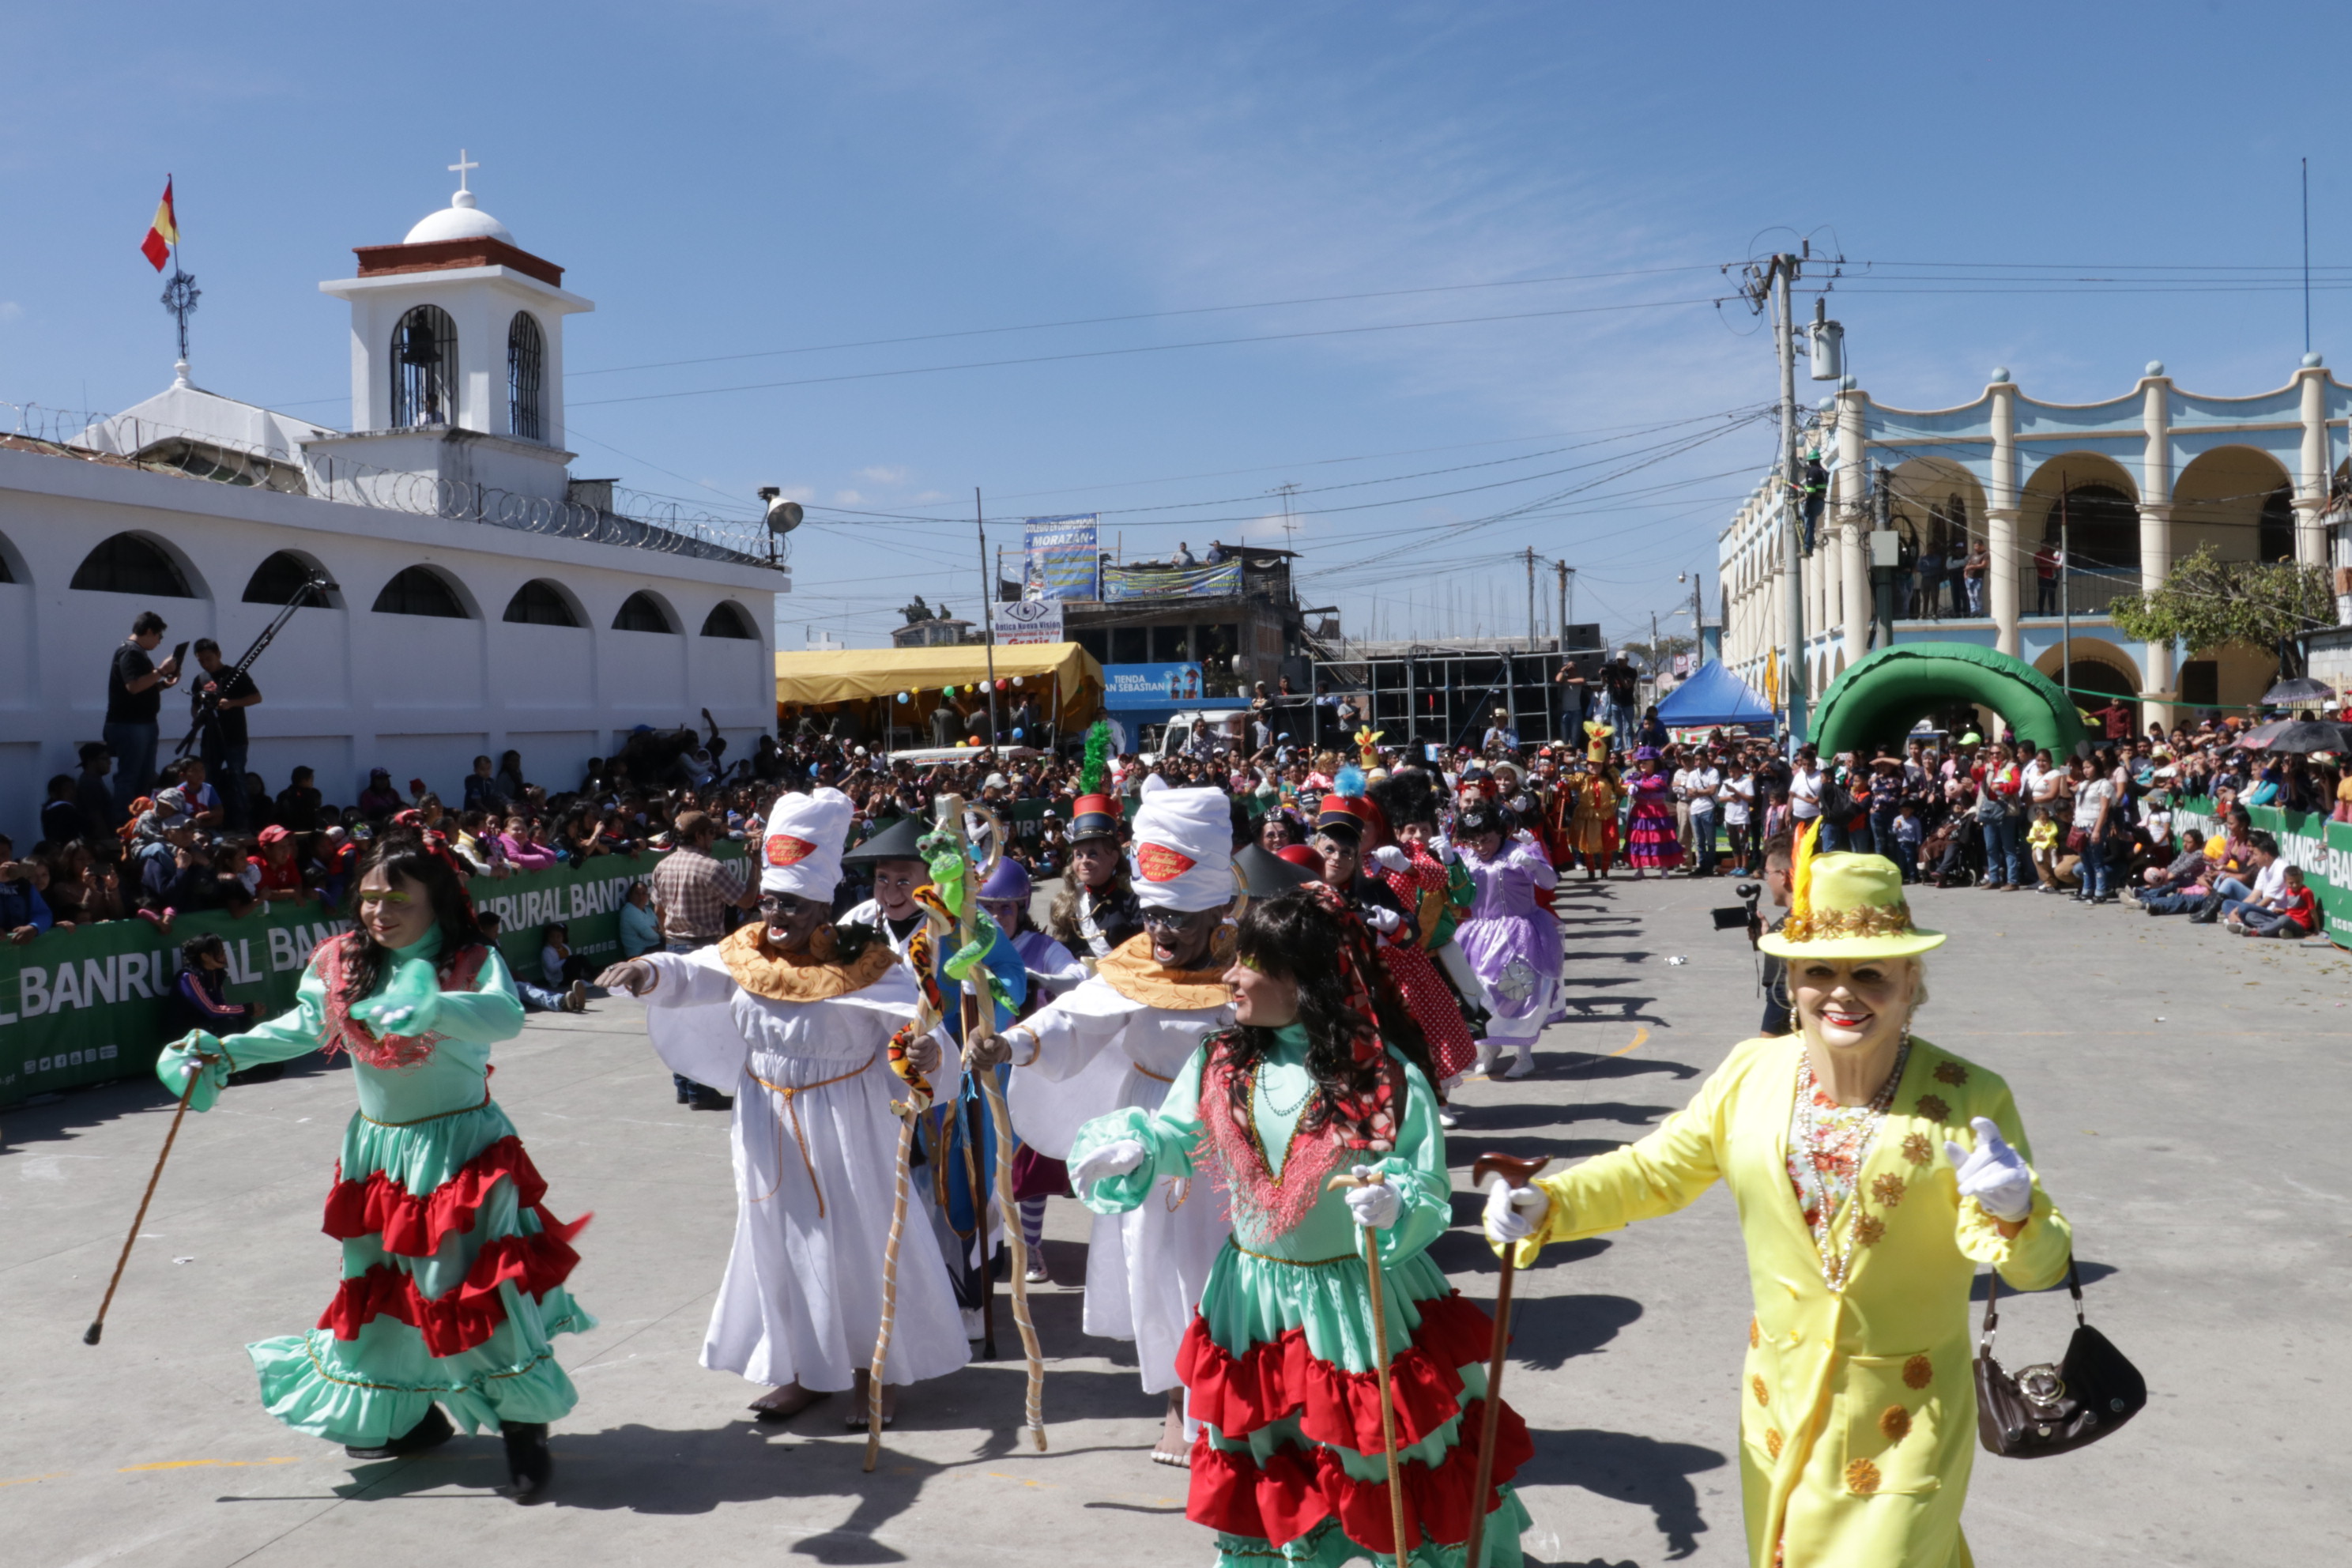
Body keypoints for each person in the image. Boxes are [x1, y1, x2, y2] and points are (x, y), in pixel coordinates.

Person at [1484, 841, 2071, 1566]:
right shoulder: (1751, 1073)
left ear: (1911, 980)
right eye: (1818, 971)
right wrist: (1548, 1204)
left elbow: (2040, 1270)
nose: (1842, 994)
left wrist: (2016, 1211)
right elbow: (1655, 1170)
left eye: (1870, 974)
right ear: (1789, 981)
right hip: (1781, 1404)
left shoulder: (1970, 1096)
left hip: (1908, 1411)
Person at [1067, 888, 1532, 1566]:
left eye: (1249, 961)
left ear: (1303, 978)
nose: (1229, 976)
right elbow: (1179, 1133)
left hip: (1355, 1304)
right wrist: (1140, 1147)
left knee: (1379, 1463)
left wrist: (1395, 1204)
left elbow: (1427, 1185)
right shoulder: (1223, 1061)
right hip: (1252, 1306)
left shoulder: (1381, 1077)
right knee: (1273, 1459)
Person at [154, 827, 586, 1499]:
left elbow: (504, 1016)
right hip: (378, 1155)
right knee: (381, 1287)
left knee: (462, 1287)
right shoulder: (340, 961)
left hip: (457, 1152)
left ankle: (522, 1426)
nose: (378, 914)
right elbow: (304, 1027)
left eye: (397, 901)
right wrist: (225, 1054)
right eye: (369, 899)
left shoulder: (469, 958)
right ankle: (407, 1418)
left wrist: (434, 1006)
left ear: (437, 904)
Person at [597, 789, 967, 1429]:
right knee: (781, 1242)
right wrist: (646, 971)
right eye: (768, 899)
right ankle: (800, 1370)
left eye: (790, 903)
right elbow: (692, 974)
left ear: (825, 902)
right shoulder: (748, 951)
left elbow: (921, 1029)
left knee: (857, 1244)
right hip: (766, 1120)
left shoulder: (868, 961)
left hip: (847, 1125)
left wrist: (931, 1055)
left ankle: (869, 1373)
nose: (775, 914)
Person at [989, 786, 1239, 1465]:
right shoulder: (1135, 961)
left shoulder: (1259, 965)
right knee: (1159, 1266)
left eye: (1178, 919)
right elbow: (1076, 1017)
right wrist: (1010, 1044)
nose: (1159, 933)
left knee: (1231, 1272)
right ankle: (1178, 1402)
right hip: (1150, 1140)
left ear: (1220, 908)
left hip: (1237, 1139)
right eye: (1153, 914)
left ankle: (1238, 1402)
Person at [650, 808, 759, 1107]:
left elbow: (659, 911)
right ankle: (699, 1091)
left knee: (679, 1018)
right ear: (699, 836)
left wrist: (669, 935)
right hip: (704, 947)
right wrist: (755, 866)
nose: (713, 838)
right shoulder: (710, 867)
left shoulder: (663, 865)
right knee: (703, 1022)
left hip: (674, 945)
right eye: (710, 833)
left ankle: (684, 1086)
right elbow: (747, 900)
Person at [1452, 797, 1559, 1078]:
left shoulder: (1518, 852)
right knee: (1480, 993)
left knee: (1518, 991)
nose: (1481, 847)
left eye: (1486, 839)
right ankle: (1489, 1048)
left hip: (1518, 933)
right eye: (1474, 841)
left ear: (1500, 832)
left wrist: (1534, 864)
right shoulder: (1465, 856)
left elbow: (1550, 882)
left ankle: (1524, 1056)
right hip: (1478, 934)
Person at [1046, 793, 1144, 959]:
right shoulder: (1068, 900)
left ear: (1113, 858)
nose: (1085, 861)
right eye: (1078, 855)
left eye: (1093, 854)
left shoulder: (1132, 900)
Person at [105, 611, 182, 815]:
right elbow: (133, 687)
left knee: (145, 777)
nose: (159, 642)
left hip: (142, 723)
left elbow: (142, 689)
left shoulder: (137, 653)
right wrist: (161, 671)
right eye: (159, 636)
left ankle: (139, 820)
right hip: (131, 724)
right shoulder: (130, 652)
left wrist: (164, 685)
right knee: (130, 776)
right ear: (149, 631)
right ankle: (123, 823)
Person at [187, 639, 262, 831]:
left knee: (237, 777)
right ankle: (211, 821)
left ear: (218, 654)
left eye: (209, 659)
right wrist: (197, 718)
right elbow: (195, 704)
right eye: (201, 660)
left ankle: (242, 823)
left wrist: (231, 703)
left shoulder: (235, 674)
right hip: (210, 737)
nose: (205, 663)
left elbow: (256, 697)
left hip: (234, 736)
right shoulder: (200, 679)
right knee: (208, 778)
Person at [1623, 747, 1683, 877]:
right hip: (1640, 811)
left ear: (1654, 762)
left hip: (1657, 811)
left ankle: (1664, 868)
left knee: (1660, 839)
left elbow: (1654, 785)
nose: (1642, 764)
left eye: (1645, 762)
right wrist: (1630, 785)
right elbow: (1626, 783)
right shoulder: (1638, 775)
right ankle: (1640, 869)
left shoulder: (1662, 774)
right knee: (1639, 839)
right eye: (1641, 762)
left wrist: (1635, 783)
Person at [618, 879, 660, 959]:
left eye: (644, 893)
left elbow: (660, 925)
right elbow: (650, 935)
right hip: (638, 954)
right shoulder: (629, 911)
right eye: (637, 893)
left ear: (647, 896)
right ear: (630, 895)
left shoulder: (648, 910)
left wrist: (657, 929)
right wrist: (659, 931)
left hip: (653, 948)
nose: (640, 897)